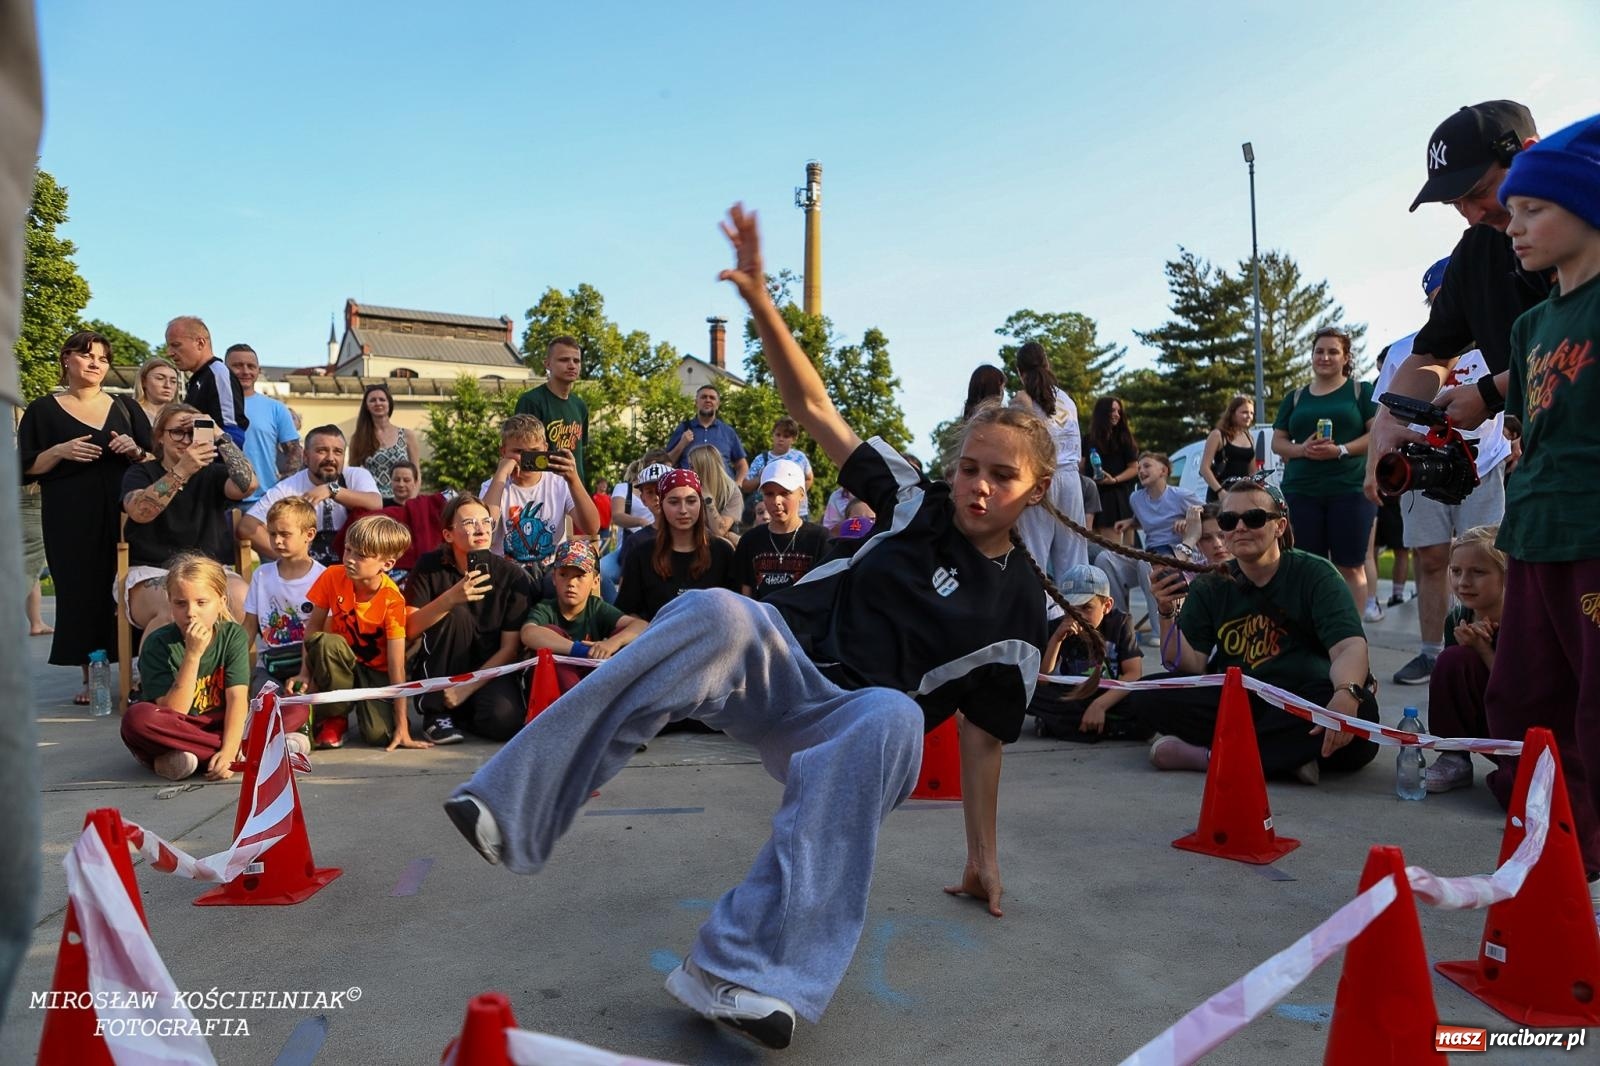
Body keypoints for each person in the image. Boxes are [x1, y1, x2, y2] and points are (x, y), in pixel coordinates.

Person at [443, 203, 1097, 1050]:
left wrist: (983, 858)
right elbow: (815, 404)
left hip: (852, 725)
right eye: (968, 467)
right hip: (779, 659)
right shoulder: (911, 498)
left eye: (999, 477)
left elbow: (984, 739)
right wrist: (759, 299)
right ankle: (515, 807)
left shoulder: (1016, 617)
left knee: (898, 715)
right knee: (715, 608)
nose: (976, 487)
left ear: (1035, 492)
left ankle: (745, 971)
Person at [1481, 113, 1600, 891]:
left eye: (1533, 211)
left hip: (1594, 533)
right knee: (1523, 699)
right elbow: (1528, 429)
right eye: (1510, 213)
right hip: (1532, 530)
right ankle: (1557, 865)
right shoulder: (1530, 324)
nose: (1513, 227)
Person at [1133, 477, 1380, 785]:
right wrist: (1167, 610)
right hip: (1238, 699)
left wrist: (1346, 693)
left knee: (1362, 711)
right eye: (1228, 519)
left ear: (1280, 525)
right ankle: (1285, 758)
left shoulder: (1315, 574)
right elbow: (1190, 664)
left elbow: (1349, 647)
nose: (1239, 527)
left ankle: (1209, 757)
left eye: (1253, 518)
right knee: (1147, 693)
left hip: (1301, 698)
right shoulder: (1212, 583)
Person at [1370, 101, 1547, 460]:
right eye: (1456, 203)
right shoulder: (1476, 251)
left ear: (1527, 154)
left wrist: (1489, 392)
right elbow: (1433, 352)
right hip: (1548, 452)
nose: (1471, 216)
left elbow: (1579, 347)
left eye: (1479, 192)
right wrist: (1389, 419)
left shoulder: (1587, 226)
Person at [1370, 258, 1511, 684]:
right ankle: (1433, 652)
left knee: (1488, 560)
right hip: (1423, 470)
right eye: (1437, 298)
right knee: (1432, 559)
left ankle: (1491, 644)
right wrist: (1372, 467)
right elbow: (1384, 415)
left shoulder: (1497, 340)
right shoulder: (1406, 350)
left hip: (1482, 465)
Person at [18, 330, 152, 702]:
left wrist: (135, 451)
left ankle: (140, 670)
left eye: (103, 358)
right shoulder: (42, 409)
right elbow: (24, 467)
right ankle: (90, 676)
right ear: (66, 359)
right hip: (68, 514)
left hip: (124, 510)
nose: (95, 363)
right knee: (80, 589)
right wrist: (59, 450)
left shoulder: (126, 406)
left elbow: (156, 459)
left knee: (130, 583)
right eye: (87, 355)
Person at [120, 554, 308, 781]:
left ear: (220, 602)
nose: (191, 612)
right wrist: (193, 654)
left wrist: (228, 751)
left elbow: (238, 699)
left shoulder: (232, 636)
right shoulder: (157, 644)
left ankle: (192, 758)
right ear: (170, 603)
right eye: (181, 603)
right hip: (181, 726)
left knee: (296, 706)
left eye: (201, 602)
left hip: (226, 720)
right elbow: (174, 711)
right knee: (136, 720)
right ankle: (259, 749)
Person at [403, 494, 536, 745]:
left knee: (505, 722)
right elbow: (409, 629)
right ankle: (437, 712)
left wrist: (467, 687)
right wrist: (450, 598)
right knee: (457, 614)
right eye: (469, 523)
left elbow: (510, 648)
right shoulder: (430, 565)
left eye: (486, 522)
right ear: (448, 534)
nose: (480, 528)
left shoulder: (512, 575)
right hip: (443, 664)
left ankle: (462, 710)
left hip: (489, 669)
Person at [121, 403, 257, 636]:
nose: (186, 440)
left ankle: (232, 671)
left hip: (209, 571)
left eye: (194, 432)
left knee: (243, 600)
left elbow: (248, 485)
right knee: (174, 608)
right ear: (160, 437)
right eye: (177, 432)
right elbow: (141, 512)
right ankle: (157, 672)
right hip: (152, 571)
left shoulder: (213, 474)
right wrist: (182, 470)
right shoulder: (141, 473)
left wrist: (220, 435)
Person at [294, 514, 426, 751]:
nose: (350, 559)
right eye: (348, 550)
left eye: (361, 555)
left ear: (387, 564)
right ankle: (336, 716)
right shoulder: (332, 576)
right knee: (325, 642)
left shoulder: (392, 599)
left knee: (380, 735)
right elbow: (313, 628)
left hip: (376, 670)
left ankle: (377, 716)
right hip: (342, 661)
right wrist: (304, 674)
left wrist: (402, 726)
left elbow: (397, 666)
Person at [1271, 327, 1377, 613]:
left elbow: (1375, 435)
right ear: (1312, 356)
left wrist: (1340, 450)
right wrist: (1302, 450)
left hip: (1350, 490)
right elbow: (1277, 442)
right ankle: (1312, 633)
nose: (1325, 357)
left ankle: (1352, 636)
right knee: (1305, 565)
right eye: (1319, 351)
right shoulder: (1295, 397)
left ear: (1345, 358)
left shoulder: (1361, 391)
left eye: (1333, 351)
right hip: (1301, 491)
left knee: (1350, 565)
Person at [1422, 526, 1505, 793]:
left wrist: (1484, 650)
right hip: (1490, 722)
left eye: (1478, 572)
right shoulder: (1458, 619)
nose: (1463, 582)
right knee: (1452, 660)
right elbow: (1453, 687)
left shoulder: (1523, 623)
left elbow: (1521, 695)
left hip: (1528, 726)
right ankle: (1454, 755)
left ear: (1507, 575)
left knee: (1512, 792)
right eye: (1456, 571)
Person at [1029, 564, 1145, 742]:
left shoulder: (1120, 623)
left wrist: (1099, 705)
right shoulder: (1057, 627)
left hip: (1108, 694)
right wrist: (1057, 640)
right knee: (1026, 691)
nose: (1078, 615)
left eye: (1086, 607)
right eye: (1070, 607)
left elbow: (1133, 673)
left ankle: (1061, 726)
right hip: (1070, 695)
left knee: (1147, 699)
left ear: (1106, 605)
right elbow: (1044, 678)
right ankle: (1108, 729)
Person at [237, 425, 383, 564]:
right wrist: (293, 559)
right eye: (322, 451)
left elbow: (375, 503)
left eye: (338, 452)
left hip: (351, 569)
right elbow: (247, 527)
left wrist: (332, 490)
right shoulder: (288, 488)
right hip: (308, 574)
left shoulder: (355, 475)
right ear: (305, 457)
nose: (330, 458)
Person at [480, 414, 599, 581]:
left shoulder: (559, 483)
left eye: (534, 452)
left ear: (545, 447)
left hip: (551, 572)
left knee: (601, 583)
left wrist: (574, 479)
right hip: (507, 573)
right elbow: (485, 527)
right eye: (518, 452)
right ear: (503, 452)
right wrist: (501, 474)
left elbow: (592, 527)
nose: (526, 459)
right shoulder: (493, 486)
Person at [1007, 342, 1088, 583]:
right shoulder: (1067, 400)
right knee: (1074, 556)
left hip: (1041, 479)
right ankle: (1079, 616)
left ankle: (1039, 615)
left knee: (1034, 554)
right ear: (1047, 364)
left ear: (1020, 372)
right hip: (1071, 480)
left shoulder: (1021, 399)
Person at [615, 468, 739, 620]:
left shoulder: (722, 552)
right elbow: (625, 611)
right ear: (662, 504)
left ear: (700, 503)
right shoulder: (641, 554)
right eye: (674, 502)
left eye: (691, 501)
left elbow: (737, 609)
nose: (683, 510)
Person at [1100, 452, 1200, 629]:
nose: (1141, 471)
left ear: (1163, 470)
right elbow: (1147, 519)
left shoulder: (1180, 496)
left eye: (1147, 466)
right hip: (1150, 553)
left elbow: (1206, 512)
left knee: (1146, 564)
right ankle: (1121, 628)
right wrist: (1131, 523)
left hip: (1176, 554)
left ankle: (1160, 630)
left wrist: (1188, 520)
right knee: (1105, 558)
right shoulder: (1135, 498)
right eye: (1139, 468)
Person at [240, 497, 325, 698]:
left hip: (309, 664)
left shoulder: (322, 577)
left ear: (309, 534)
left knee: (300, 704)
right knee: (265, 702)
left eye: (285, 534)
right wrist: (232, 668)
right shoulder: (262, 574)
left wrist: (307, 673)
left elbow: (322, 633)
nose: (277, 541)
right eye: (272, 534)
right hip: (270, 664)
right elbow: (249, 626)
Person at [521, 539, 647, 660]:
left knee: (623, 633)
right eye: (563, 575)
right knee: (551, 631)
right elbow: (528, 632)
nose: (571, 582)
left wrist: (613, 642)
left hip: (590, 674)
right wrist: (578, 650)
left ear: (595, 581)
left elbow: (641, 625)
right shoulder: (546, 608)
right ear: (554, 578)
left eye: (579, 576)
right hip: (557, 677)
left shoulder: (596, 608)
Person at [733, 459, 830, 600]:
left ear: (801, 494)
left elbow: (826, 594)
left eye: (785, 493)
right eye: (769, 494)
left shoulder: (820, 538)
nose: (777, 501)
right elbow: (744, 595)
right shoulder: (750, 541)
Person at [224, 343, 301, 507]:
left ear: (258, 370)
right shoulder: (212, 406)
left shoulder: (276, 408)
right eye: (237, 366)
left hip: (264, 501)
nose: (245, 371)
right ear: (225, 369)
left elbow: (294, 452)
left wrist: (282, 489)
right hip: (220, 500)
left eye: (251, 366)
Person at [514, 335, 590, 484]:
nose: (571, 365)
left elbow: (581, 454)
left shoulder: (580, 406)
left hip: (575, 490)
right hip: (544, 490)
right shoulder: (531, 401)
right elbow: (521, 454)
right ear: (547, 364)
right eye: (563, 360)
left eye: (576, 361)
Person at [164, 316, 247, 446]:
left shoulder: (218, 373)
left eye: (176, 345)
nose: (169, 353)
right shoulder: (197, 378)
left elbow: (234, 436)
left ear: (200, 343)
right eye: (168, 346)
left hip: (215, 465)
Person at [348, 383, 418, 502]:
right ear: (366, 406)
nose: (378, 403)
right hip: (372, 502)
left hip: (401, 502)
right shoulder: (359, 438)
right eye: (373, 400)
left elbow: (416, 472)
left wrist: (411, 501)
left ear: (389, 403)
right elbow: (353, 474)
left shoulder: (407, 435)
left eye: (382, 399)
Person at [1084, 396, 1139, 546]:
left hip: (1116, 498)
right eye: (1113, 410)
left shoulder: (1124, 439)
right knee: (1093, 550)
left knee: (1115, 552)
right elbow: (1081, 467)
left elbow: (1134, 468)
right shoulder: (1088, 440)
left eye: (1119, 412)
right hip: (1092, 498)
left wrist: (1114, 479)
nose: (1117, 415)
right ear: (1102, 412)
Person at [666, 384, 748, 484]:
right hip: (689, 490)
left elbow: (742, 465)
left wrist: (737, 484)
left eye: (712, 398)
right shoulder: (683, 428)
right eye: (704, 397)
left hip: (722, 492)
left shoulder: (728, 432)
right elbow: (667, 463)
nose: (708, 400)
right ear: (696, 402)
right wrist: (681, 444)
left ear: (717, 404)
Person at [741, 416, 816, 518]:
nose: (781, 439)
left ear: (793, 439)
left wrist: (796, 495)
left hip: (799, 513)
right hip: (770, 514)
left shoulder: (800, 458)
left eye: (786, 436)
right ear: (773, 435)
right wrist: (762, 477)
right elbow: (745, 486)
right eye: (778, 435)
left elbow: (809, 478)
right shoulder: (761, 459)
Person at [1199, 395, 1256, 501]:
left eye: (1251, 413)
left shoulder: (1250, 438)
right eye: (1244, 412)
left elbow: (1252, 471)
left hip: (1242, 496)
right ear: (1232, 413)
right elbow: (1204, 468)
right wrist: (1220, 491)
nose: (1249, 416)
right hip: (1221, 495)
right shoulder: (1218, 435)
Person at [686, 442, 745, 545]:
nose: (688, 471)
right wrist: (728, 535)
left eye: (692, 467)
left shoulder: (731, 491)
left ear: (705, 468)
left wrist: (708, 500)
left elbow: (719, 531)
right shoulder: (687, 490)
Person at [135, 357, 180, 426]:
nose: (167, 385)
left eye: (173, 381)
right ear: (143, 381)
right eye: (160, 378)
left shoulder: (182, 417)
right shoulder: (129, 413)